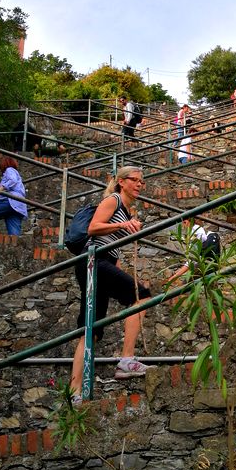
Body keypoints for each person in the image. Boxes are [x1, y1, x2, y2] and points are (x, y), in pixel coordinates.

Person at [70, 166, 151, 396]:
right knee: (142, 297)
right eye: (134, 180)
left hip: (101, 263)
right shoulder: (113, 200)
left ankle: (74, 391)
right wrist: (123, 225)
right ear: (121, 182)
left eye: (141, 182)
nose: (138, 185)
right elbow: (93, 228)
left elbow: (112, 246)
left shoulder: (126, 210)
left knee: (92, 328)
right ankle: (126, 359)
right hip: (93, 260)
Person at [165, 219, 220, 285]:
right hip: (212, 260)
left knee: (186, 284)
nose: (183, 225)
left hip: (205, 261)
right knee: (210, 282)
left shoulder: (196, 232)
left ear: (190, 222)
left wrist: (176, 276)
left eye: (185, 222)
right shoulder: (198, 230)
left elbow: (193, 258)